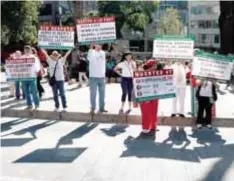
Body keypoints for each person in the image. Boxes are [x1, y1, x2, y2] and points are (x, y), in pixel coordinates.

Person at [134, 59, 162, 135]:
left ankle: (153, 126)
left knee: (154, 111)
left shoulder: (156, 73)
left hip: (155, 95)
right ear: (151, 66)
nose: (156, 66)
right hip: (145, 96)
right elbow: (137, 86)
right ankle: (145, 127)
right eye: (155, 65)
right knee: (146, 112)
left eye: (156, 65)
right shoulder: (142, 73)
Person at [87, 43, 107, 114]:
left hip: (102, 77)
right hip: (93, 77)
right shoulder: (91, 51)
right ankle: (93, 108)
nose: (99, 46)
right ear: (95, 45)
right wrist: (91, 48)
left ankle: (102, 108)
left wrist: (104, 74)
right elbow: (89, 58)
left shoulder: (103, 53)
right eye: (98, 45)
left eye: (100, 45)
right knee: (93, 94)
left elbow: (103, 63)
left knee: (102, 94)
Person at [21, 45, 41, 111]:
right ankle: (29, 105)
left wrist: (35, 71)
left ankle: (37, 105)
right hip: (24, 77)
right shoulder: (21, 58)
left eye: (28, 50)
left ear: (30, 50)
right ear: (24, 50)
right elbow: (17, 67)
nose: (26, 51)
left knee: (34, 92)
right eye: (25, 50)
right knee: (26, 92)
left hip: (32, 77)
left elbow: (38, 67)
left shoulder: (34, 58)